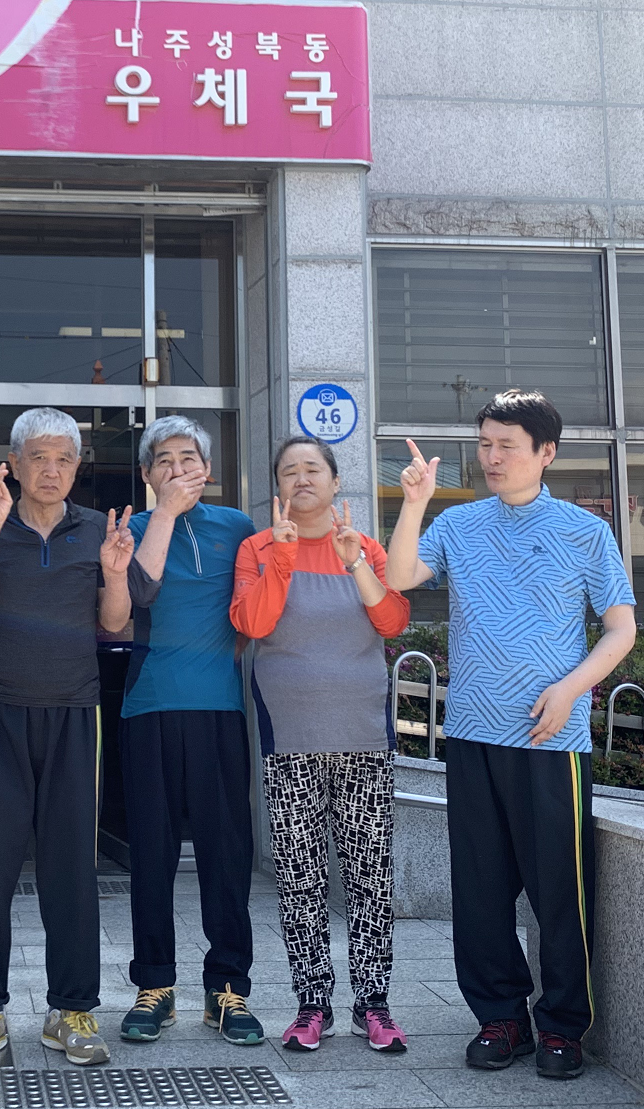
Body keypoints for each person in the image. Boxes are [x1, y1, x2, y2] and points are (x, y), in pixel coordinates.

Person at [384, 388, 636, 1081]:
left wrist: (572, 687)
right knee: (480, 890)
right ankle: (500, 1019)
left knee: (559, 892)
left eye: (506, 446)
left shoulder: (585, 531)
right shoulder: (459, 523)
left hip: (551, 741)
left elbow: (620, 628)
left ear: (545, 452)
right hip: (471, 732)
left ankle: (562, 1026)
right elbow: (399, 576)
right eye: (484, 444)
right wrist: (414, 502)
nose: (491, 458)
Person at [0, 408, 134, 1070]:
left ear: (77, 467)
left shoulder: (96, 529)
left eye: (63, 459)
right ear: (15, 464)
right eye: (38, 458)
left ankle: (71, 1010)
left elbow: (115, 623)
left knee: (70, 867)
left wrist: (115, 574)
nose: (51, 470)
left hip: (75, 712)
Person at [230, 436, 411, 1054]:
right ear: (277, 487)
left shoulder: (366, 547)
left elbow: (392, 622)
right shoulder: (257, 548)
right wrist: (282, 557)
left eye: (314, 469)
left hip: (363, 739)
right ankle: (313, 1004)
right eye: (289, 471)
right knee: (300, 878)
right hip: (290, 741)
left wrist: (354, 561)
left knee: (370, 879)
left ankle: (373, 1004)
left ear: (336, 483)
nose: (302, 479)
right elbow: (252, 623)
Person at [116, 414, 264, 1047]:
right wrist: (166, 515)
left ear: (208, 468)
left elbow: (256, 613)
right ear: (147, 473)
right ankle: (154, 985)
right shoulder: (132, 529)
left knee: (226, 852)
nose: (178, 469)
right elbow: (140, 594)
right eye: (164, 461)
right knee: (151, 853)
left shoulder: (237, 527)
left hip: (220, 709)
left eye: (189, 459)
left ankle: (228, 987)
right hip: (148, 704)